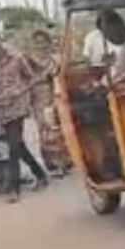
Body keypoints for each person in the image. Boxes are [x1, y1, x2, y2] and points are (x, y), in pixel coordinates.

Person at [0, 30, 48, 202]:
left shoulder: (17, 58)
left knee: (12, 146)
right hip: (3, 108)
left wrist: (21, 93)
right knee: (18, 145)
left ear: (0, 40)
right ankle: (39, 173)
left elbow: (33, 78)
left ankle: (14, 188)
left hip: (19, 106)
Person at [27, 29, 72, 176]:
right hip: (38, 98)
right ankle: (51, 163)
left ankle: (62, 162)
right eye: (38, 43)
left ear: (48, 42)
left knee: (57, 130)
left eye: (43, 42)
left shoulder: (55, 59)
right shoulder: (28, 61)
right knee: (44, 130)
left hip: (56, 96)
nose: (41, 46)